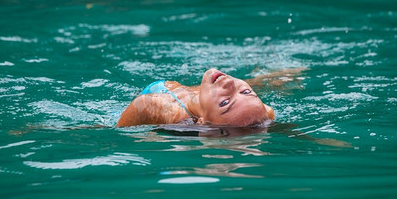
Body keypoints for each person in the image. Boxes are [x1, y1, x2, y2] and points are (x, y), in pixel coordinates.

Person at [116, 68, 305, 127]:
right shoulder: (264, 113)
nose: (231, 84)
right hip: (206, 94)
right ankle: (264, 80)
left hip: (163, 91)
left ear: (201, 122)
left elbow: (115, 131)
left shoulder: (152, 106)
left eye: (225, 103)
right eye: (246, 92)